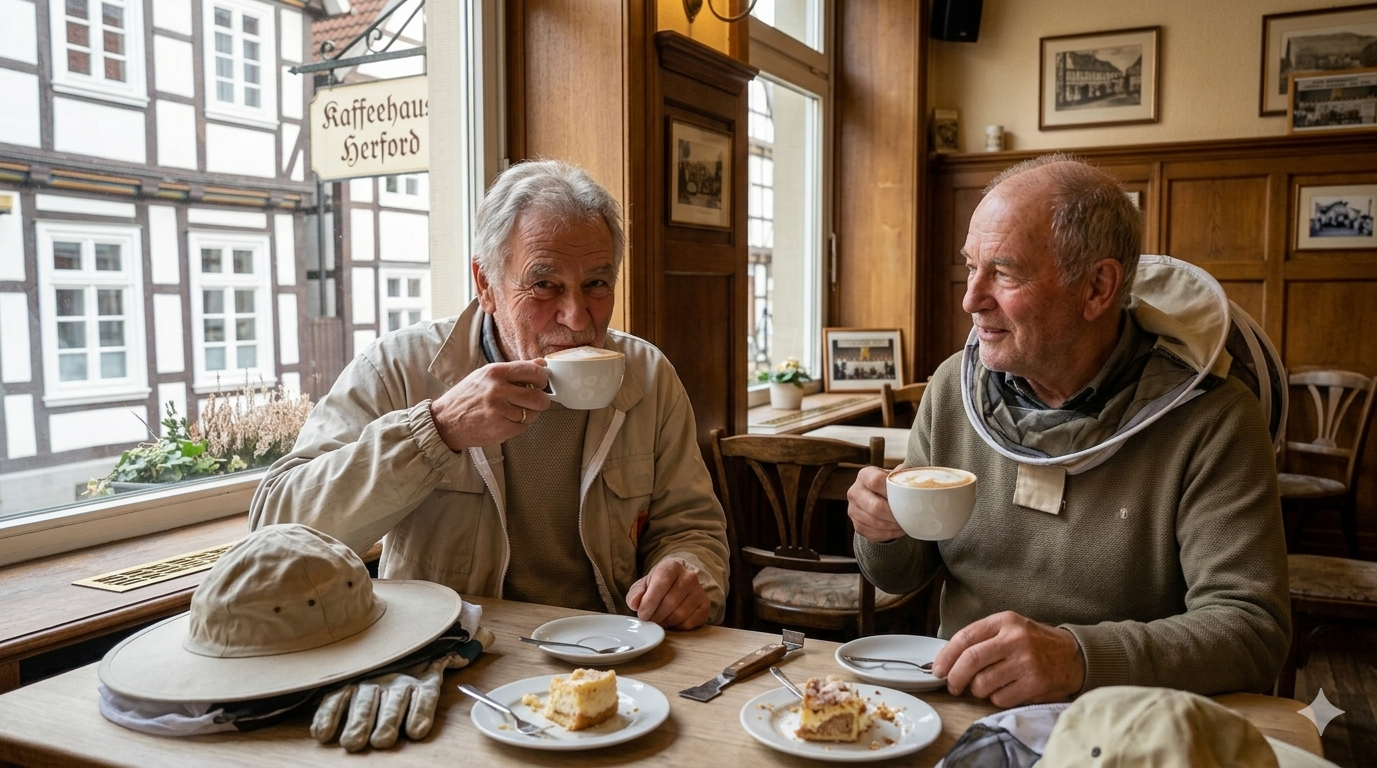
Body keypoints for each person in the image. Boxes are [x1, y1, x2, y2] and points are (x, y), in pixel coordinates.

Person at [847, 155, 1290, 706]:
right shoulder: (951, 390)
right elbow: (901, 576)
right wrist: (883, 530)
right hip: (960, 704)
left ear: (1097, 287)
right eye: (971, 266)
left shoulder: (1213, 420)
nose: (970, 299)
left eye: (1004, 272)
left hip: (1129, 722)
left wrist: (1080, 659)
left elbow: (1252, 629)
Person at [250, 159, 730, 631]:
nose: (577, 317)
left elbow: (692, 528)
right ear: (487, 285)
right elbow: (276, 534)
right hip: (456, 654)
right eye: (544, 285)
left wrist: (688, 576)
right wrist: (436, 430)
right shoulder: (397, 368)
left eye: (596, 284)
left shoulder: (648, 375)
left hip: (613, 652)